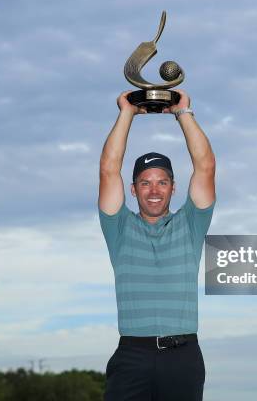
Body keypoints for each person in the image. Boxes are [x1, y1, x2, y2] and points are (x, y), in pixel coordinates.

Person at [98, 88, 216, 401]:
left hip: (183, 355)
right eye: (145, 182)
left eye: (162, 182)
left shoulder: (191, 224)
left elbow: (205, 167)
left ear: (173, 188)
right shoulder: (119, 227)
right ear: (133, 190)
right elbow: (109, 169)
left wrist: (183, 113)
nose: (154, 190)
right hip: (132, 355)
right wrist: (127, 113)